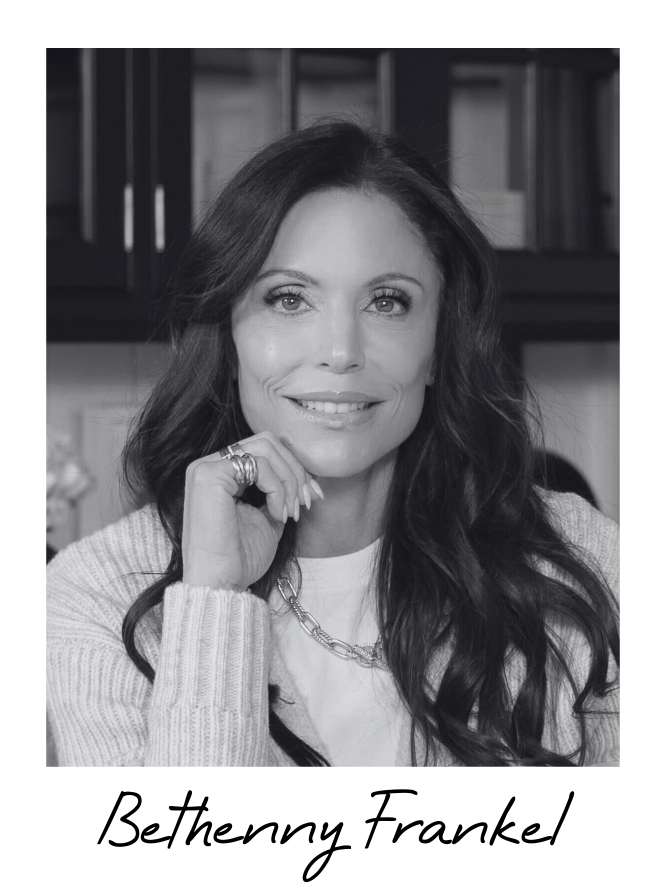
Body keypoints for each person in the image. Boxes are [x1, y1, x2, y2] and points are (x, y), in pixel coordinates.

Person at [46, 121, 619, 767]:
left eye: (388, 302)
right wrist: (214, 599)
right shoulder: (97, 593)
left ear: (439, 343)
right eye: (289, 298)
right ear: (228, 337)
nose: (341, 352)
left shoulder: (588, 560)